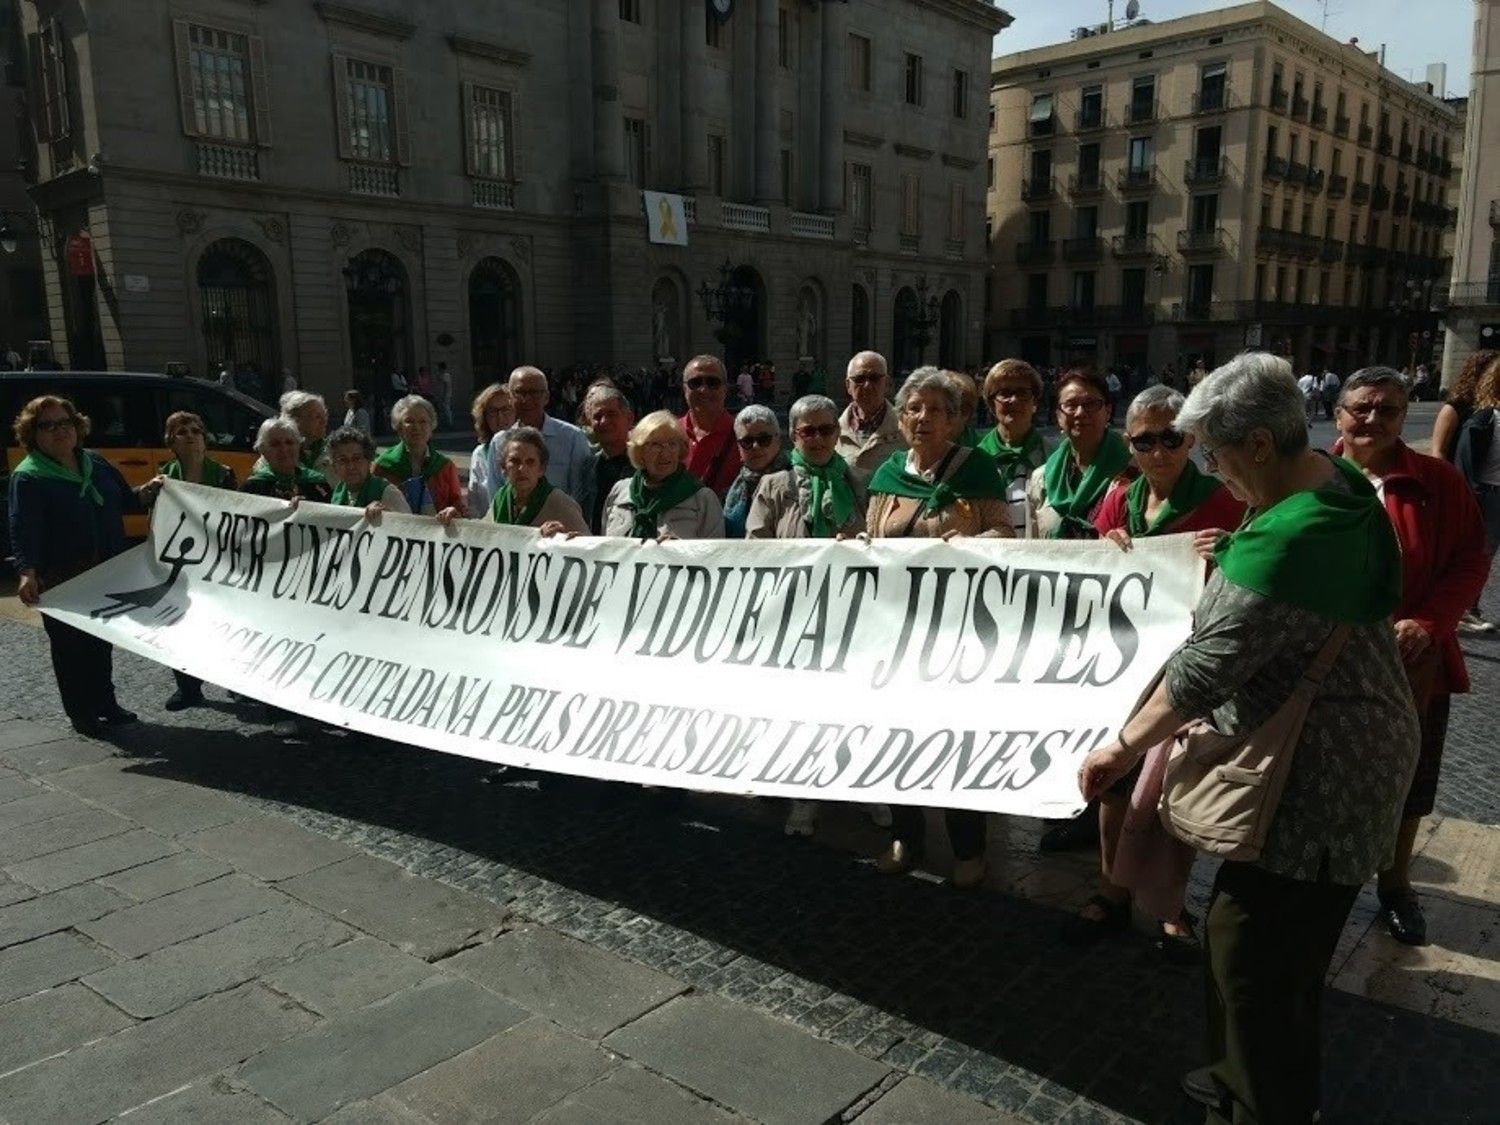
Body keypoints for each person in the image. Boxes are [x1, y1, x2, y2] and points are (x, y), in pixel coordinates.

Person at [1077, 352, 1417, 1125]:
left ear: (1260, 444)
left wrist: (1119, 748)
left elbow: (1198, 673)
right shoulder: (1337, 484)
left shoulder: (1287, 542)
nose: (1211, 470)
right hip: (1353, 745)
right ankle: (1239, 1075)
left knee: (1253, 955)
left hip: (1318, 774)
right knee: (1265, 941)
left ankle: (1266, 1103)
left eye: (1216, 453)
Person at [1079, 386, 1246, 950]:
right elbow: (1092, 564)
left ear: (1191, 439)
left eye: (1170, 437)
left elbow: (1247, 573)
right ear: (1130, 443)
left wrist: (1224, 551)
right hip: (1126, 662)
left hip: (1189, 666)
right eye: (1145, 440)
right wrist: (1108, 543)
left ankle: (1170, 901)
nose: (1157, 451)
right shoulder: (1119, 497)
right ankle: (1111, 887)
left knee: (1172, 784)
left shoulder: (1220, 500)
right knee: (1116, 783)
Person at [1331, 367, 1490, 946]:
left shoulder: (1438, 481)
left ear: (1404, 415)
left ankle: (1395, 885)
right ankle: (1321, 876)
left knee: (1410, 781)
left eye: (1389, 410)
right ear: (1340, 412)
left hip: (1412, 662)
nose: (1373, 419)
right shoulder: (1311, 478)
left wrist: (1431, 622)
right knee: (1325, 770)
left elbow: (1471, 558)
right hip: (1327, 664)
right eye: (1362, 407)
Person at [865, 368, 1012, 890]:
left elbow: (1005, 533)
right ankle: (907, 833)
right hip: (896, 633)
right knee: (897, 734)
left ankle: (968, 844)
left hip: (959, 634)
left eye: (936, 409)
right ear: (901, 418)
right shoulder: (887, 475)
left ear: (954, 420)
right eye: (913, 408)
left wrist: (968, 547)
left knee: (956, 737)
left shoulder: (978, 469)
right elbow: (873, 537)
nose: (923, 417)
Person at [749, 394, 870, 838]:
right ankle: (804, 797)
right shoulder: (774, 486)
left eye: (826, 430)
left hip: (851, 615)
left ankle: (863, 791)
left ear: (838, 434)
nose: (818, 439)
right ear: (794, 436)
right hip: (794, 617)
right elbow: (756, 548)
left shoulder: (860, 481)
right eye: (808, 431)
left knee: (851, 707)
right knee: (800, 710)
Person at [8, 396, 143, 735]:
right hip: (62, 577)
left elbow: (127, 500)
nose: (59, 431)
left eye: (65, 423)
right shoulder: (29, 477)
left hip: (105, 570)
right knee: (70, 648)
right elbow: (23, 527)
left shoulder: (95, 463)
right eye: (48, 425)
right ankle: (81, 714)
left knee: (100, 641)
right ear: (32, 434)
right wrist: (28, 572)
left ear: (77, 427)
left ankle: (106, 704)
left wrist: (154, 490)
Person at [144, 411, 242, 711]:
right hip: (181, 563)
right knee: (181, 624)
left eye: (196, 430)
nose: (190, 435)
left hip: (217, 560)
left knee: (225, 623)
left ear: (205, 439)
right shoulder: (164, 478)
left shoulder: (224, 474)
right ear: (170, 442)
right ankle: (188, 687)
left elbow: (237, 517)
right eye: (181, 431)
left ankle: (237, 682)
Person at [1026, 367, 1133, 540]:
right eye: (1070, 405)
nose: (1081, 413)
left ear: (1108, 411)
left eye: (1091, 404)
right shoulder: (1042, 480)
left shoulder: (1134, 473)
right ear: (1058, 416)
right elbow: (1032, 549)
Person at [487, 366, 595, 515]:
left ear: (546, 397)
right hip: (513, 528)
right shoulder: (499, 442)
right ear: (510, 398)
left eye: (534, 393)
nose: (527, 400)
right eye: (520, 393)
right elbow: (495, 495)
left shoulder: (573, 438)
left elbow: (580, 495)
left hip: (559, 529)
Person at [602, 410, 725, 539]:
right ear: (640, 450)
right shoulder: (619, 492)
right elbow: (605, 549)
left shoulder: (703, 499)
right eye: (655, 445)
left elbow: (714, 555)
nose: (665, 453)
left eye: (672, 444)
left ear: (681, 449)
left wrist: (679, 550)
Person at [977, 359, 1052, 536]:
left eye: (1022, 393)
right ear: (991, 404)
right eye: (1005, 393)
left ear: (1035, 402)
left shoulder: (1054, 457)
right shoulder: (974, 460)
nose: (1014, 400)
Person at [374, 396, 463, 518]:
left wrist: (454, 510)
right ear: (399, 428)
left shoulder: (445, 467)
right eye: (409, 421)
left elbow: (458, 505)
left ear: (431, 427)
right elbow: (369, 501)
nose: (416, 427)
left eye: (423, 421)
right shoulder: (382, 466)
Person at [490, 426, 590, 535]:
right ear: (503, 468)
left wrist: (563, 535)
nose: (522, 469)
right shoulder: (499, 499)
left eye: (530, 462)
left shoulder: (560, 503)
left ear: (541, 469)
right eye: (515, 461)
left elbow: (588, 545)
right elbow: (482, 535)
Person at [836, 351, 906, 487]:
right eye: (859, 379)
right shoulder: (830, 432)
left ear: (887, 383)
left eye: (874, 378)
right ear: (848, 386)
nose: (867, 385)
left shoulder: (907, 429)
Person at [677, 355, 741, 498]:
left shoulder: (746, 437)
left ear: (725, 388)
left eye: (713, 383)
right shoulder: (669, 432)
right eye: (695, 382)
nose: (704, 390)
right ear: (684, 388)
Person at [723, 405, 788, 539]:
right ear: (738, 447)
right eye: (747, 441)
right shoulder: (729, 492)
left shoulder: (797, 481)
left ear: (778, 440)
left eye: (764, 439)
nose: (755, 446)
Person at [242, 417, 334, 503]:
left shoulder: (317, 484)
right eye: (275, 444)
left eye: (289, 442)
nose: (284, 449)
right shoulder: (252, 487)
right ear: (263, 451)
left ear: (299, 446)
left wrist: (308, 507)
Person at [583, 385, 635, 533]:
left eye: (612, 414)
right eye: (597, 417)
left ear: (629, 418)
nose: (604, 421)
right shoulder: (588, 466)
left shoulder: (646, 464)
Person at [327, 426, 409, 518]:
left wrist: (386, 515)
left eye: (357, 458)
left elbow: (409, 527)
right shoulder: (337, 493)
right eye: (343, 460)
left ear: (369, 461)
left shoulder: (387, 492)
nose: (351, 466)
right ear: (334, 466)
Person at [465, 383, 515, 518]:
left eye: (506, 409)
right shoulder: (480, 453)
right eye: (493, 412)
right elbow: (474, 504)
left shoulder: (531, 448)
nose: (500, 417)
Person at [278, 391, 333, 477]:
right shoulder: (276, 454)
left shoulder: (335, 452)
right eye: (317, 417)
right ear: (296, 420)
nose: (324, 421)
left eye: (325, 416)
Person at [436, 361, 455, 428]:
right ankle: (444, 422)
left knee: (446, 408)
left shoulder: (445, 375)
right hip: (442, 394)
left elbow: (446, 386)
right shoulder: (441, 375)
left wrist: (444, 395)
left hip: (445, 395)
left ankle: (449, 422)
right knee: (442, 409)